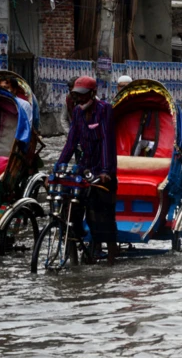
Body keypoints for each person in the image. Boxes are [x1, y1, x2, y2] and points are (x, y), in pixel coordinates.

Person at [56, 76, 118, 264]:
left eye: (83, 96)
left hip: (103, 168)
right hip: (85, 165)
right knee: (70, 207)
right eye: (77, 96)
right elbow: (71, 141)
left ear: (93, 93)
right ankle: (77, 243)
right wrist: (59, 167)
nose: (80, 100)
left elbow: (107, 140)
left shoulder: (104, 109)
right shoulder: (77, 112)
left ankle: (111, 256)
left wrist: (106, 171)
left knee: (103, 215)